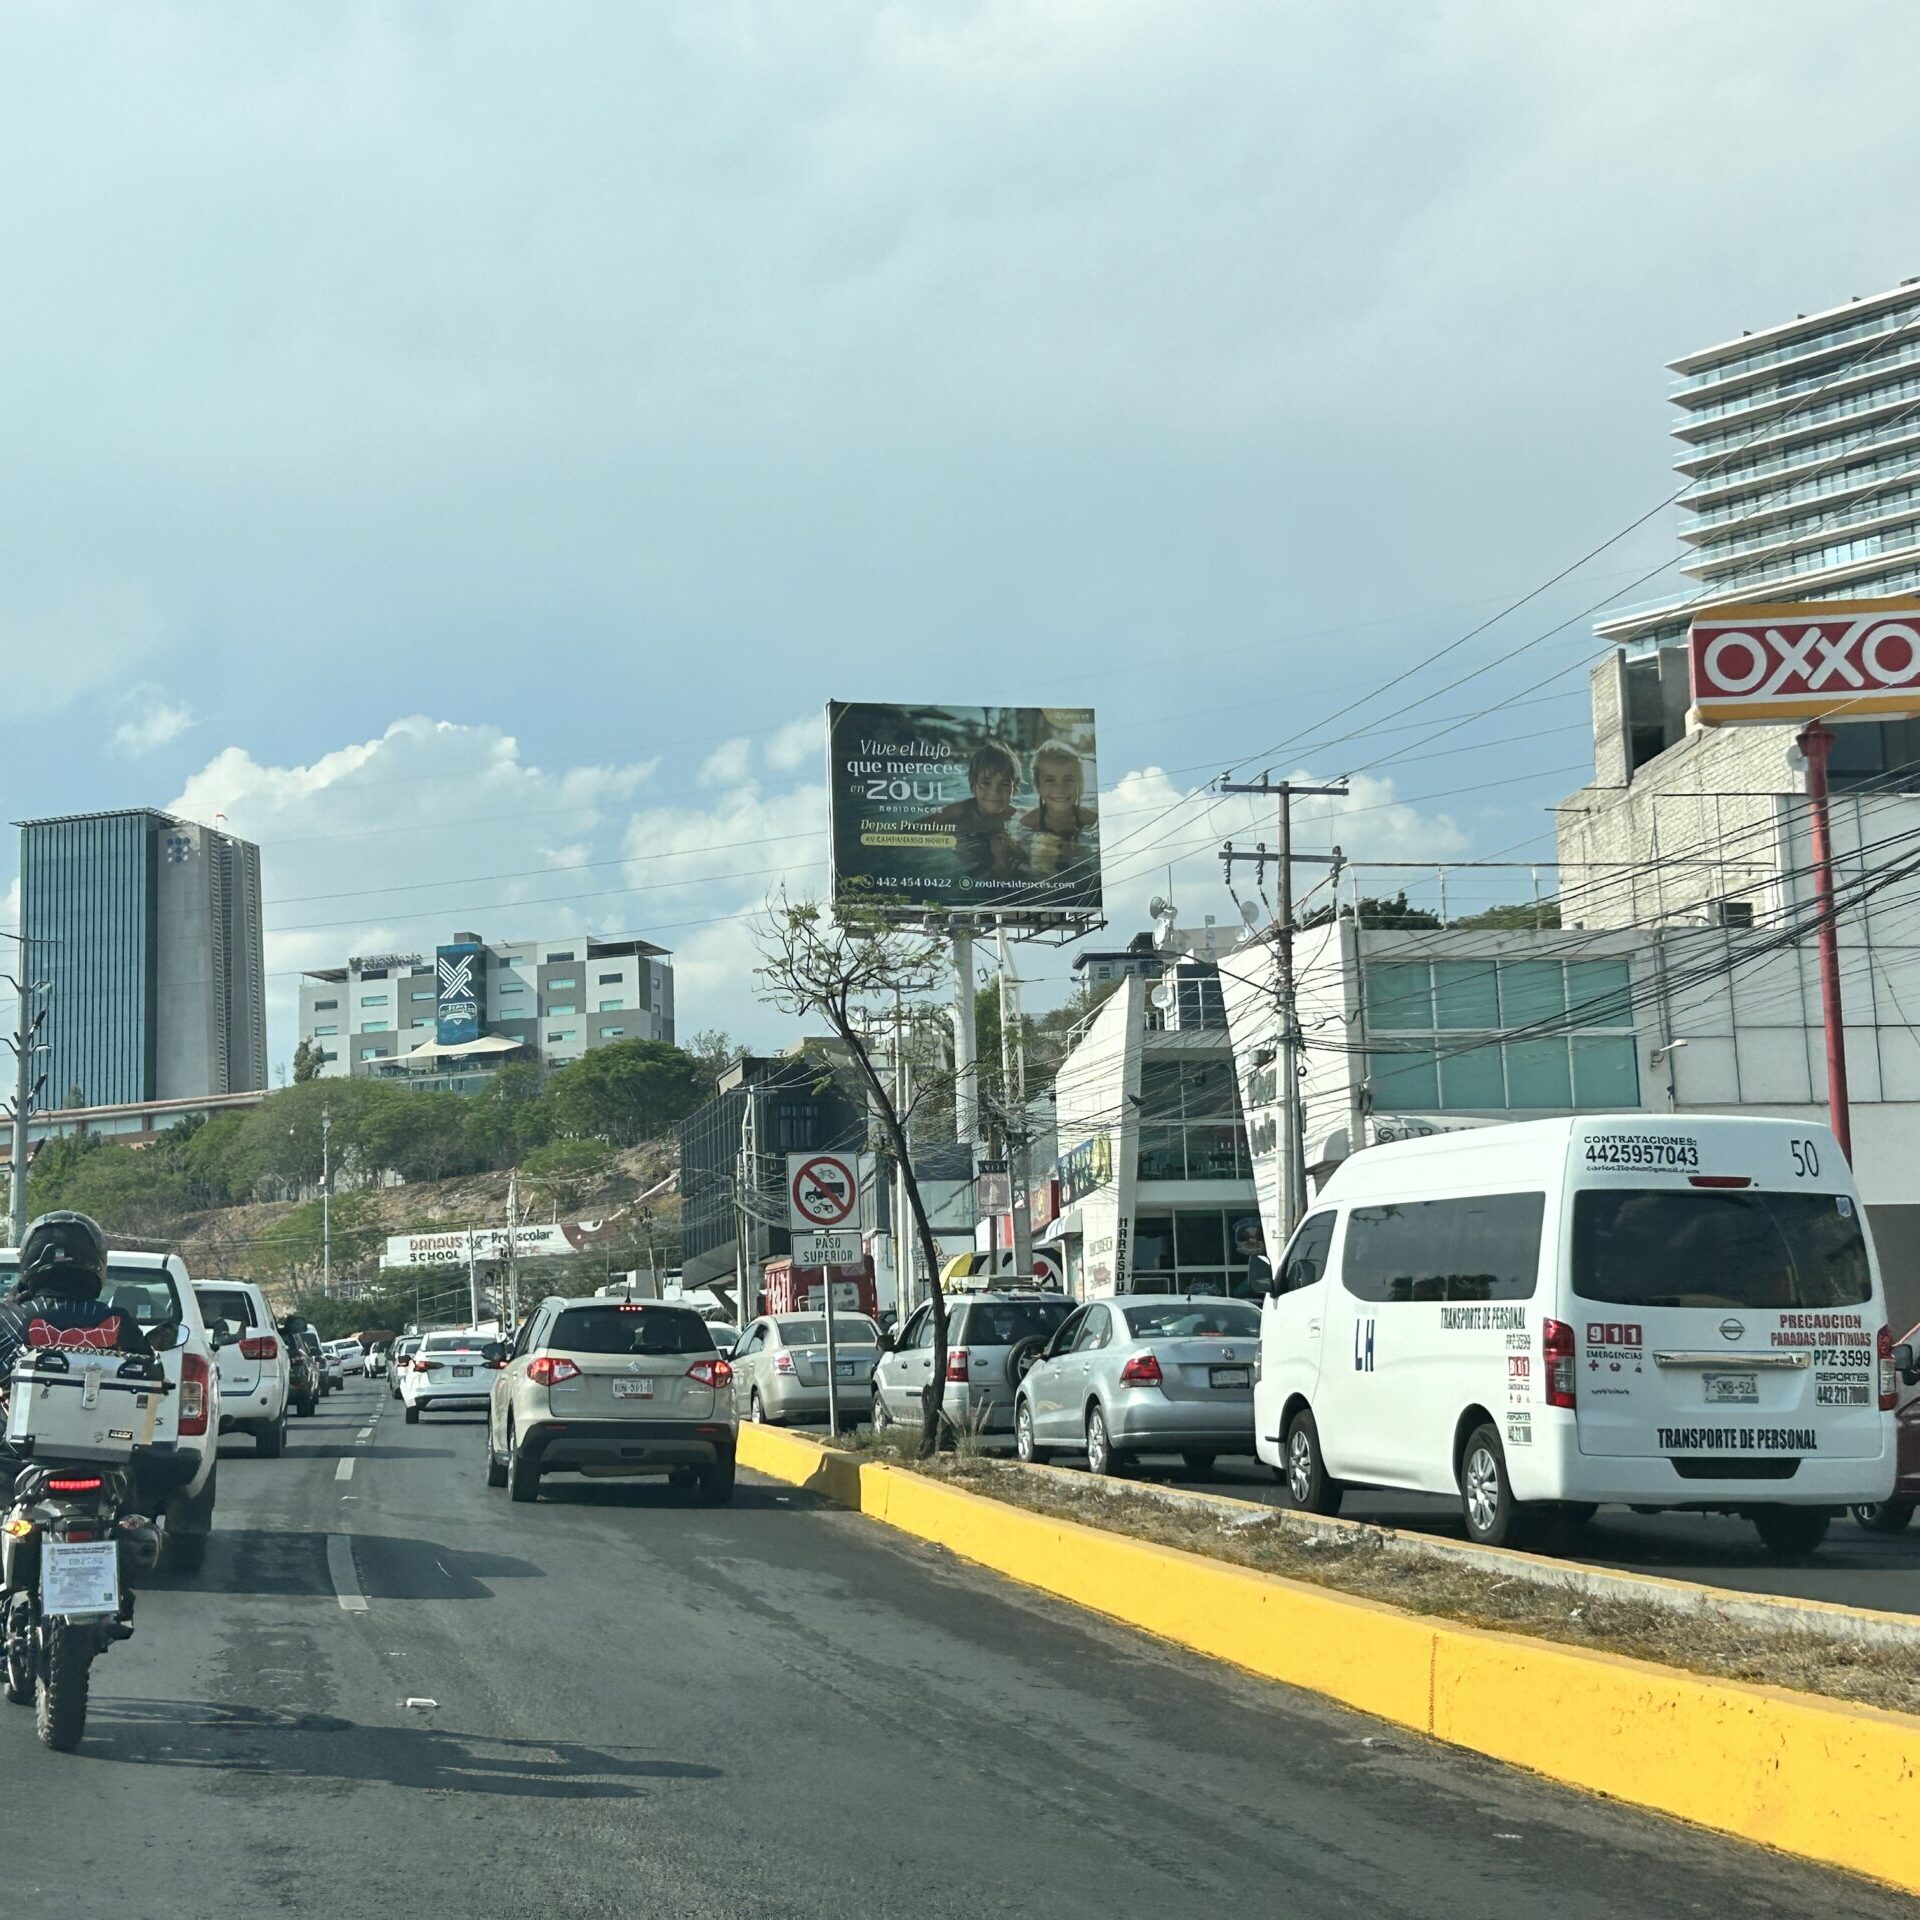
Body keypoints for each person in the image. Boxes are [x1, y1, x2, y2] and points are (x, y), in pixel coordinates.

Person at [918, 741, 1027, 881]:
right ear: (973, 785)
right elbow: (907, 832)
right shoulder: (958, 813)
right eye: (985, 783)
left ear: (1015, 788)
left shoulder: (1018, 815)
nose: (994, 792)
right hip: (969, 857)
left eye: (1005, 784)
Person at [1016, 741, 1098, 883]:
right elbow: (1021, 859)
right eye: (1050, 780)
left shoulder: (1090, 819)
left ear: (1080, 784)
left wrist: (1079, 852)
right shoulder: (1029, 822)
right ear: (1037, 786)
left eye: (1069, 780)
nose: (1060, 788)